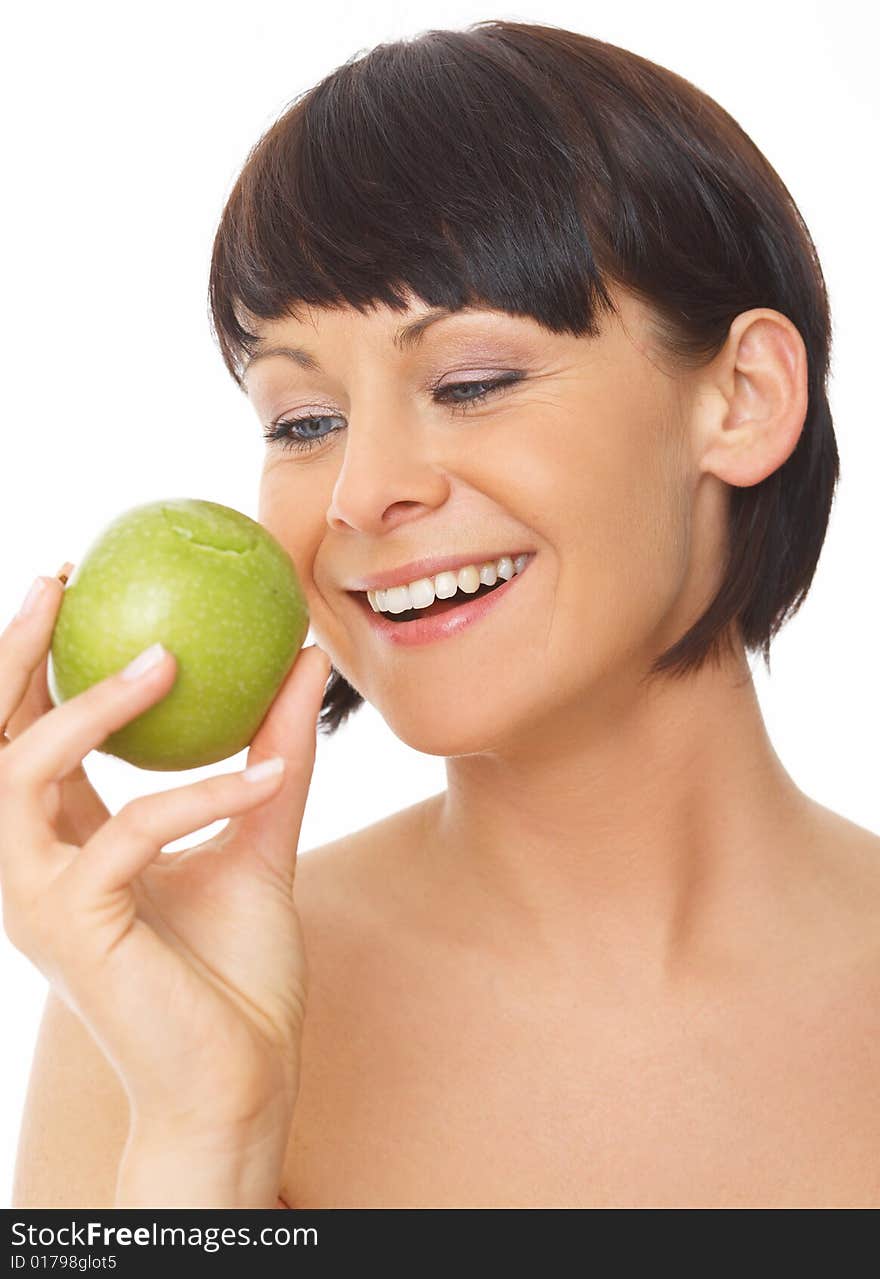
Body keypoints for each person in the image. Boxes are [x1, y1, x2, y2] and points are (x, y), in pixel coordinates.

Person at [4, 20, 878, 1209]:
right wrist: (205, 1127)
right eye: (303, 422)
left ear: (742, 396)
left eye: (470, 384)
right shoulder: (162, 995)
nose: (362, 494)